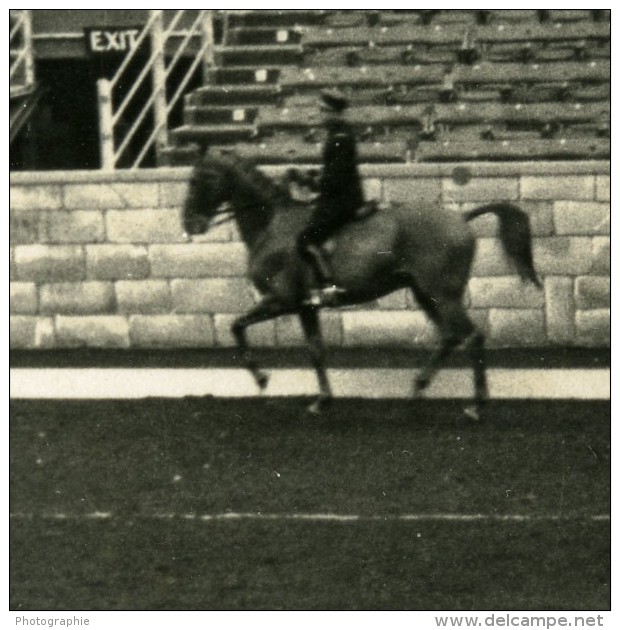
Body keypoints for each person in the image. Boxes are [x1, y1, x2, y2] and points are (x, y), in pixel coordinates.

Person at [296, 88, 365, 306]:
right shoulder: (338, 134)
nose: (320, 115)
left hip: (342, 201)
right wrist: (314, 174)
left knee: (305, 239)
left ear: (334, 113)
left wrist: (312, 182)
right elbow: (333, 170)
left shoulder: (340, 137)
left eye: (323, 111)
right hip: (340, 197)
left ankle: (328, 286)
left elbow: (336, 179)